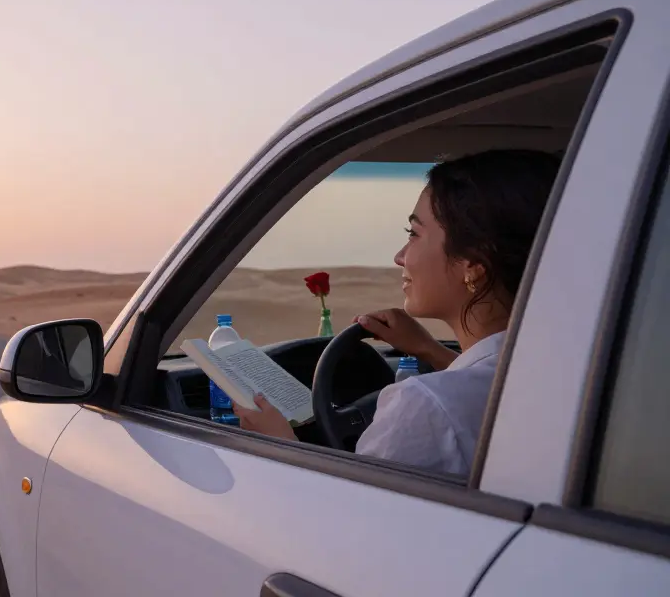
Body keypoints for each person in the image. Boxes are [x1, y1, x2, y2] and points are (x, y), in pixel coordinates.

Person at [233, 149, 561, 477]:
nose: (399, 256)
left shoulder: (423, 405)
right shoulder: (559, 371)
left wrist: (280, 444)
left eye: (414, 235)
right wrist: (430, 351)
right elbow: (493, 395)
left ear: (473, 266)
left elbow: (344, 518)